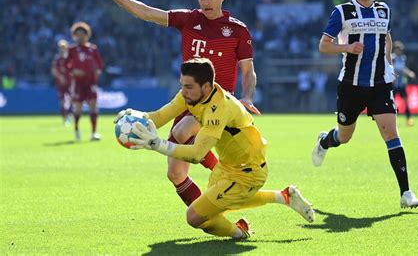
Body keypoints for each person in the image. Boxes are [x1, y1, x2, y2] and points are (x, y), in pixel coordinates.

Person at [88, 0, 260, 206]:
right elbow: (148, 13)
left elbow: (248, 71)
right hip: (187, 100)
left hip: (217, 105)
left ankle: (220, 172)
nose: (206, 2)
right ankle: (210, 215)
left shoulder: (237, 30)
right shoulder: (189, 20)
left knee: (181, 130)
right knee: (176, 174)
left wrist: (247, 96)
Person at [120, 58, 314, 239]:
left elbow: (197, 154)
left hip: (248, 171)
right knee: (219, 206)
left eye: (188, 87)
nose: (183, 91)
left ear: (206, 86)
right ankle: (283, 196)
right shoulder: (193, 95)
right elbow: (162, 116)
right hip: (227, 166)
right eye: (182, 86)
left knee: (194, 217)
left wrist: (157, 144)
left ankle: (238, 232)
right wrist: (139, 117)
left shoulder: (219, 109)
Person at [312, 0, 418, 208]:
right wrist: (347, 48)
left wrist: (390, 67)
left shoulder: (384, 11)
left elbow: (387, 38)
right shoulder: (342, 12)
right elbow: (324, 45)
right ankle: (324, 141)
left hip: (380, 84)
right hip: (351, 86)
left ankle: (406, 193)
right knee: (344, 136)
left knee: (391, 133)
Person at [66, 22, 104, 141]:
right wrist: (73, 71)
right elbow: (66, 65)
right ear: (74, 36)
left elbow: (100, 64)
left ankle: (94, 133)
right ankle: (77, 130)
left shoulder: (92, 49)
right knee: (78, 108)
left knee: (93, 106)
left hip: (91, 81)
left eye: (83, 34)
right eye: (78, 34)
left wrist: (98, 71)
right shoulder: (72, 50)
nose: (80, 36)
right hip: (78, 82)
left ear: (87, 35)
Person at [392, 41, 416, 126]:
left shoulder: (403, 58)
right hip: (394, 85)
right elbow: (390, 69)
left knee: (406, 103)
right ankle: (392, 121)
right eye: (397, 49)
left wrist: (409, 73)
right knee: (391, 103)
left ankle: (409, 119)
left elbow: (403, 69)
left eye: (400, 49)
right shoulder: (392, 58)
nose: (399, 51)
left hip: (402, 84)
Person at [51, 39, 72, 125]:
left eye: (64, 47)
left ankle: (69, 115)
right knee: (62, 101)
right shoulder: (57, 59)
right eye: (61, 47)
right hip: (60, 83)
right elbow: (53, 70)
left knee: (71, 100)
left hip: (70, 82)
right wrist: (60, 77)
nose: (62, 49)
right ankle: (64, 118)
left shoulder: (70, 58)